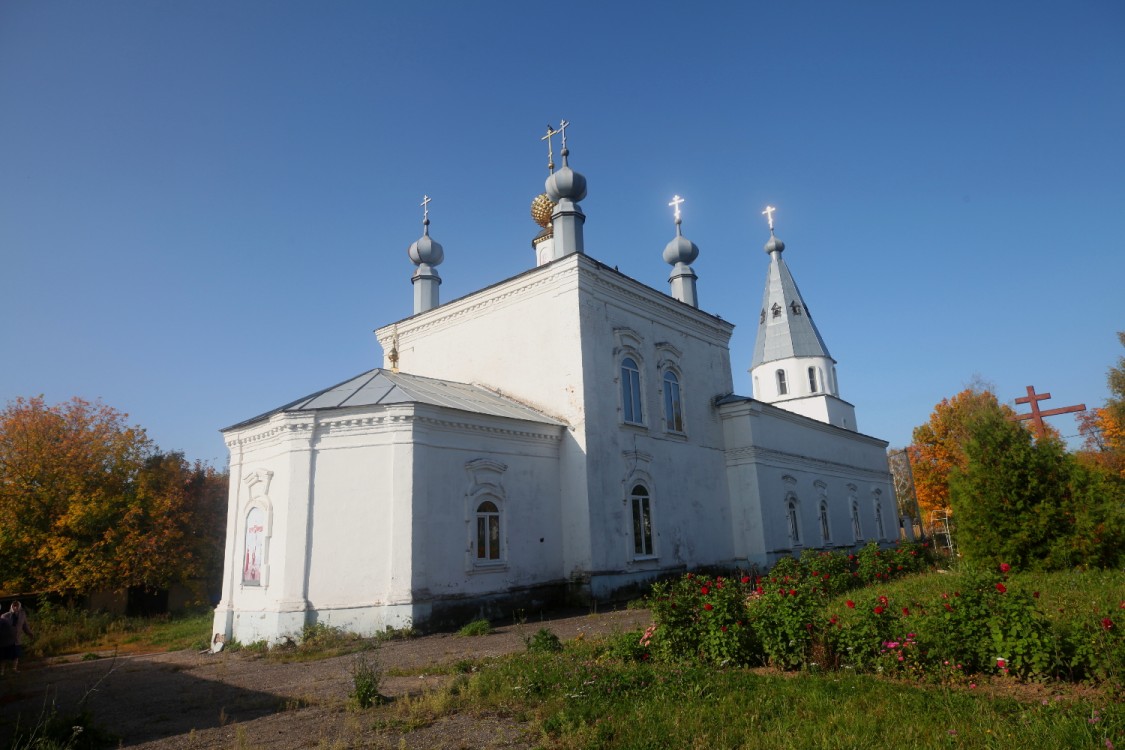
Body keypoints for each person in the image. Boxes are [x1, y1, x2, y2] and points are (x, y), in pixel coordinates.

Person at [0, 601, 33, 674]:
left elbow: (25, 626)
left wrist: (29, 633)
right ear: (11, 606)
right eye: (14, 606)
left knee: (16, 655)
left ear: (19, 606)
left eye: (17, 606)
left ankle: (14, 669)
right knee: (3, 657)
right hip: (6, 640)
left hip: (16, 639)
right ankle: (1, 671)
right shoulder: (5, 616)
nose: (15, 607)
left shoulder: (22, 615)